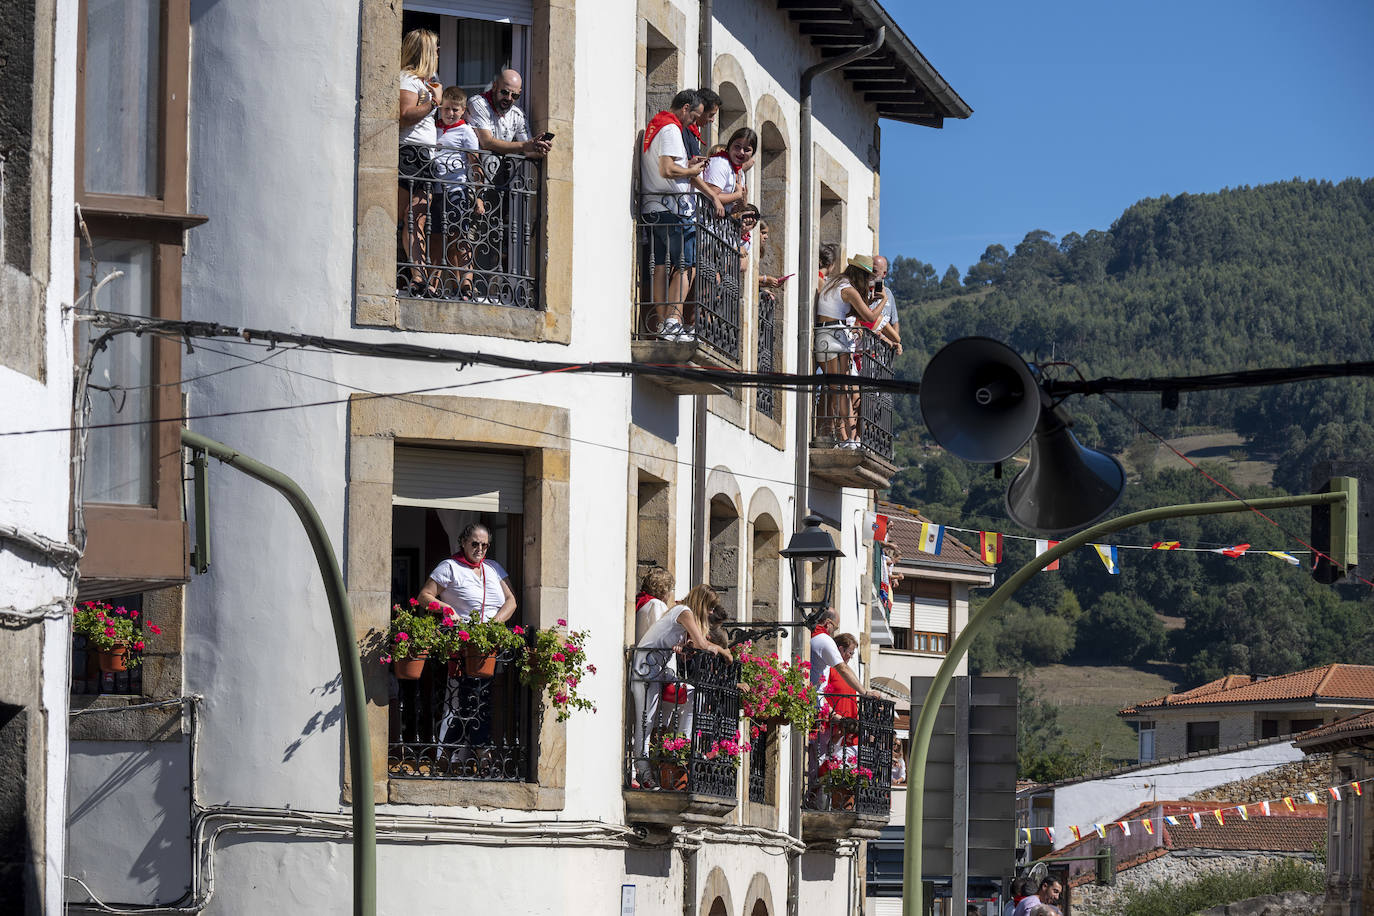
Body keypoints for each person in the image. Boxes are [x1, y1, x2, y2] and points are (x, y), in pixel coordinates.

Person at [416, 522, 517, 761]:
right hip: (462, 644)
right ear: (463, 542)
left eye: (484, 545)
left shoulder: (493, 568)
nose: (480, 548)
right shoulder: (449, 567)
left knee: (478, 696)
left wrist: (494, 625)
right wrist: (446, 609)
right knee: (471, 695)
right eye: (475, 543)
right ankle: (477, 751)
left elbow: (511, 600)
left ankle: (454, 753)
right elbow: (424, 596)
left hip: (489, 644)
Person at [630, 584, 733, 787]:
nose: (711, 612)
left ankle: (678, 744)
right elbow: (702, 644)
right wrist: (723, 650)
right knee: (646, 721)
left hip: (657, 670)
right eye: (710, 607)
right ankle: (642, 772)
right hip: (645, 670)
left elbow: (693, 645)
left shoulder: (682, 614)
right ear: (702, 603)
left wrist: (681, 647)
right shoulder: (684, 612)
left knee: (690, 692)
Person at [639, 89, 707, 340]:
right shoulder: (670, 129)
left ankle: (663, 323)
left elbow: (664, 168)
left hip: (655, 208)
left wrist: (687, 167)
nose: (693, 123)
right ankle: (672, 321)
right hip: (672, 210)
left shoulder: (658, 126)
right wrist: (692, 171)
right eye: (694, 116)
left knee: (659, 267)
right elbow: (667, 169)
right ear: (686, 107)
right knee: (685, 267)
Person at [815, 255, 882, 447]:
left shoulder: (834, 283)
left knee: (837, 389)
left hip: (824, 334)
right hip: (837, 335)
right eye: (868, 278)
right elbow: (869, 317)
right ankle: (848, 438)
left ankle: (844, 437)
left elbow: (844, 310)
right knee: (843, 390)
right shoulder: (849, 290)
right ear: (861, 275)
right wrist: (882, 301)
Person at [397, 28, 441, 296]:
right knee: (409, 218)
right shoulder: (407, 79)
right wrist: (434, 104)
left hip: (425, 157)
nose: (438, 53)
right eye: (435, 48)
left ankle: (419, 276)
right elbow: (404, 114)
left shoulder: (425, 82)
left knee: (417, 219)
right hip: (410, 155)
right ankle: (415, 276)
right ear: (424, 51)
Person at [430, 86, 485, 299]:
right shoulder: (434, 127)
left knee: (457, 239)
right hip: (435, 191)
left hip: (456, 191)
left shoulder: (466, 132)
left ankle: (463, 284)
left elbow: (475, 165)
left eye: (455, 109)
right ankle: (432, 284)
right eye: (446, 109)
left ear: (462, 111)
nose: (450, 113)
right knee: (435, 239)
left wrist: (479, 196)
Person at [702, 127, 757, 212]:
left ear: (752, 153)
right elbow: (710, 195)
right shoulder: (720, 163)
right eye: (737, 147)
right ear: (730, 146)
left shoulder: (739, 171)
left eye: (747, 150)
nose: (741, 152)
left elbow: (734, 207)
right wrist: (737, 195)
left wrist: (742, 204)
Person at [869, 255, 903, 356]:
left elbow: (894, 322)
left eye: (874, 271)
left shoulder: (888, 293)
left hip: (884, 353)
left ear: (884, 274)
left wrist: (895, 343)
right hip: (868, 349)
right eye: (869, 270)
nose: (871, 274)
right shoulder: (863, 291)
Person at [633, 568, 674, 642]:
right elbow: (661, 635)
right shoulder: (656, 605)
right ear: (664, 589)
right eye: (671, 589)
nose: (671, 593)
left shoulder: (644, 601)